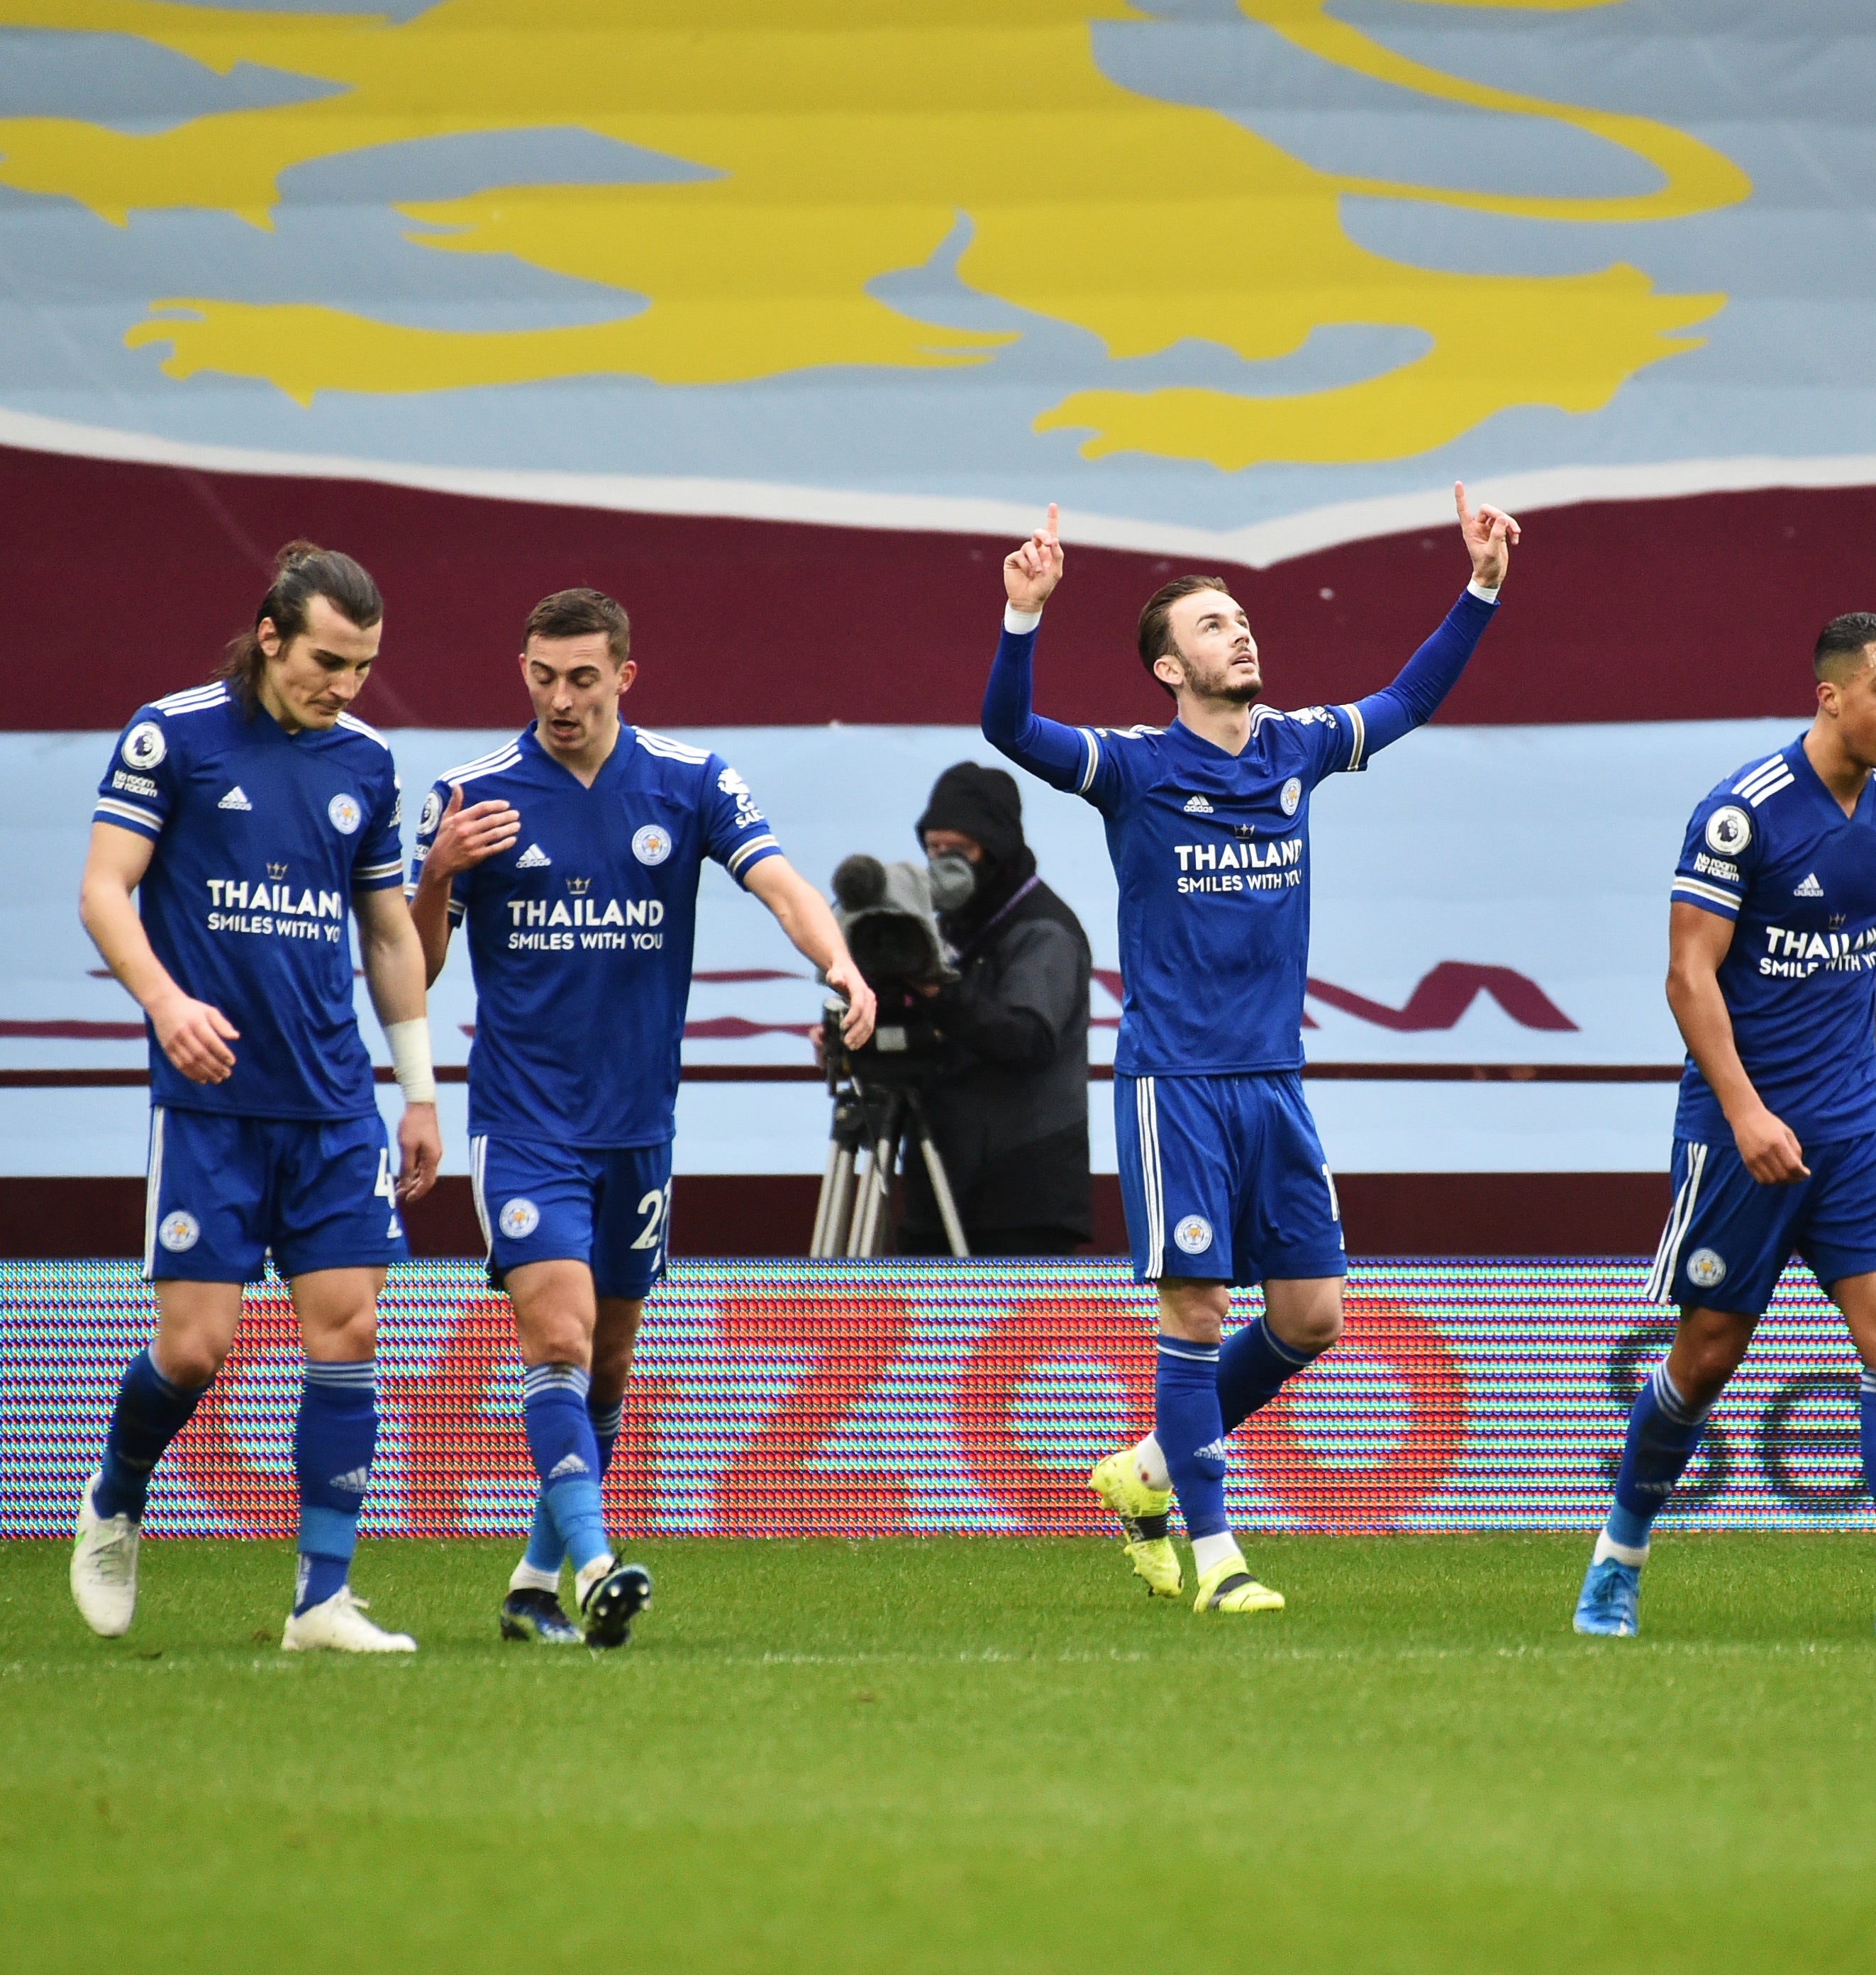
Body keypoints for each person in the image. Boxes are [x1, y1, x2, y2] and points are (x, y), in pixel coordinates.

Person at [982, 488, 1516, 1614]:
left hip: (1273, 1082)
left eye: (1238, 617)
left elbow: (1408, 700)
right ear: (1169, 669)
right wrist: (1023, 618)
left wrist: (1477, 588)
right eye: (1211, 624)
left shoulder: (1296, 746)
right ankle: (1215, 1556)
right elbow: (1009, 733)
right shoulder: (1130, 767)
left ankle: (1144, 1469)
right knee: (1192, 1311)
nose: (1239, 631)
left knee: (1312, 1315)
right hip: (1174, 1082)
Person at [409, 588, 875, 1647]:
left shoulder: (690, 779)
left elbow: (780, 883)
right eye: (541, 675)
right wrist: (436, 872)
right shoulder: (470, 795)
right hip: (525, 1124)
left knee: (609, 1359)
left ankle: (534, 1584)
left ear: (625, 674)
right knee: (559, 1334)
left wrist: (838, 958)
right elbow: (415, 962)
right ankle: (597, 1560)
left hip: (638, 1129)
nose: (559, 698)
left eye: (581, 676)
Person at [1573, 613, 1876, 1640]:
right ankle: (1617, 1559)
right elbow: (1688, 977)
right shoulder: (1742, 814)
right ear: (1828, 696)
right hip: (1745, 1124)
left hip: (1855, 1120)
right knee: (1710, 1352)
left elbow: (1873, 948)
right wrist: (1743, 1112)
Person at [72, 541, 440, 1653]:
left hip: (333, 1101)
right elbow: (104, 890)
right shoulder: (172, 735)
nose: (345, 684)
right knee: (195, 1348)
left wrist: (418, 1091)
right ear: (272, 635)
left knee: (350, 1328)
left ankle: (320, 1600)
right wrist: (167, 1003)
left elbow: (386, 934)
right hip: (211, 1102)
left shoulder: (367, 762)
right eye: (328, 659)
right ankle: (115, 1499)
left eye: (364, 666)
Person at [893, 762, 1094, 1257]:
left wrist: (937, 993)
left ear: (995, 848)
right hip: (940, 1181)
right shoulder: (945, 927)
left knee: (1019, 1338)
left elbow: (1024, 1037)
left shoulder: (1044, 931)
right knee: (926, 1334)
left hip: (1021, 1196)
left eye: (958, 850)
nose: (942, 864)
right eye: (933, 849)